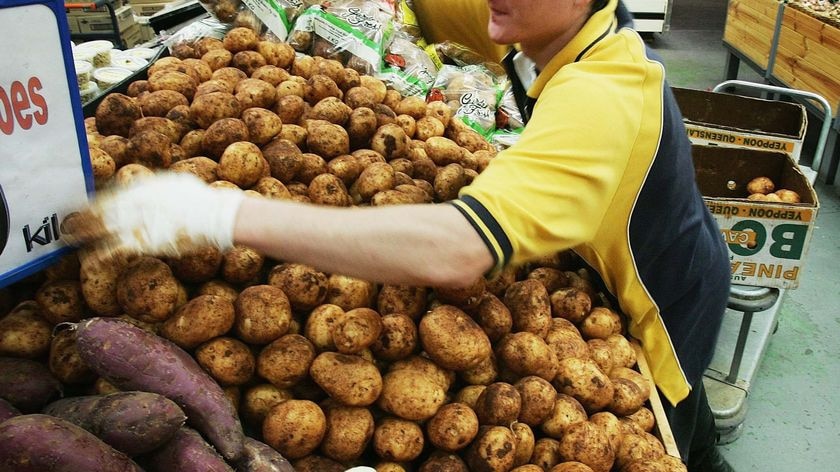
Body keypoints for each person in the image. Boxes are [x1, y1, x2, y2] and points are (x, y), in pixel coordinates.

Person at [68, 1, 734, 470]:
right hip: (583, 247)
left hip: (657, 295)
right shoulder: (541, 18)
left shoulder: (604, 93)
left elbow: (457, 249)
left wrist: (220, 215)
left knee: (680, 432)